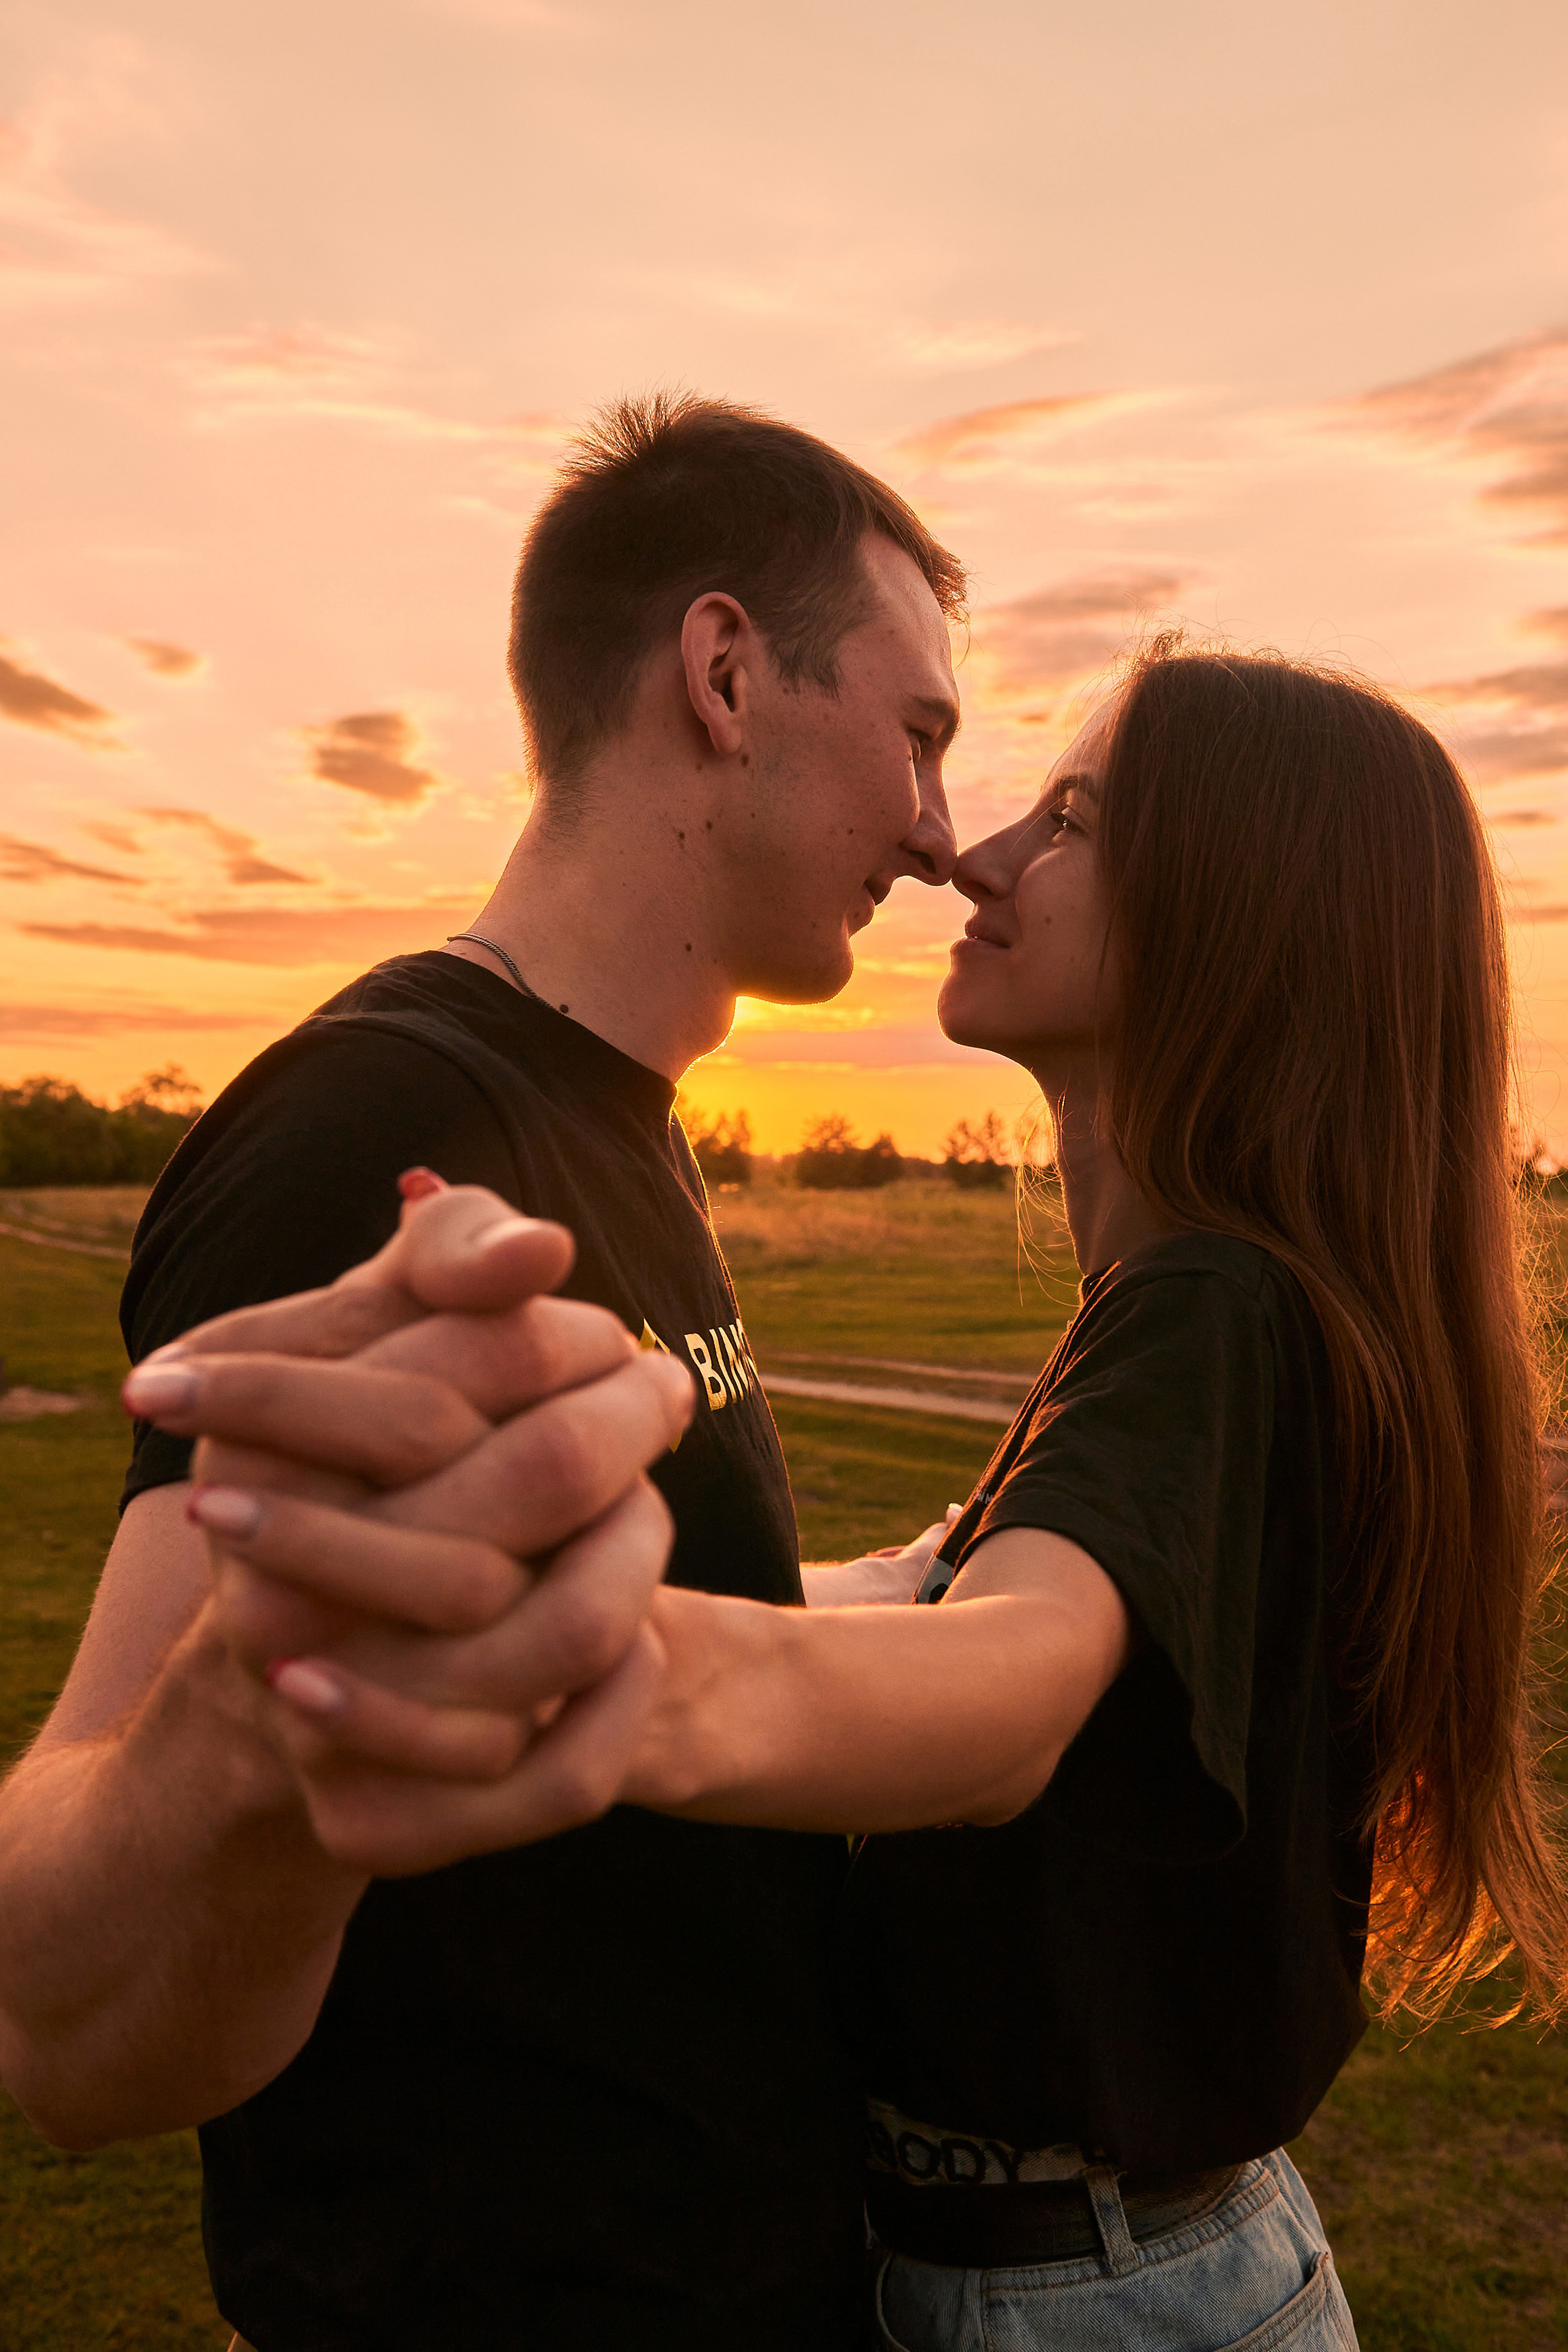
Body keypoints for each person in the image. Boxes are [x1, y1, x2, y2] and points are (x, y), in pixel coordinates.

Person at [160, 647, 1568, 2351]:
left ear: (1236, 911)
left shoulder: (1216, 1304)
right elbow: (947, 1605)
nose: (974, 855)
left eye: (1071, 820)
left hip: (1083, 2301)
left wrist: (578, 1662)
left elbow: (1007, 1687)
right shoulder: (1213, 1311)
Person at [0, 393, 969, 2350]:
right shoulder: (378, 1122)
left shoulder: (623, 1113)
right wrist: (258, 1726)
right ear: (722, 673)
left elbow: (657, 1625)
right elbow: (62, 2021)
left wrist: (907, 1584)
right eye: (923, 730)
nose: (944, 831)